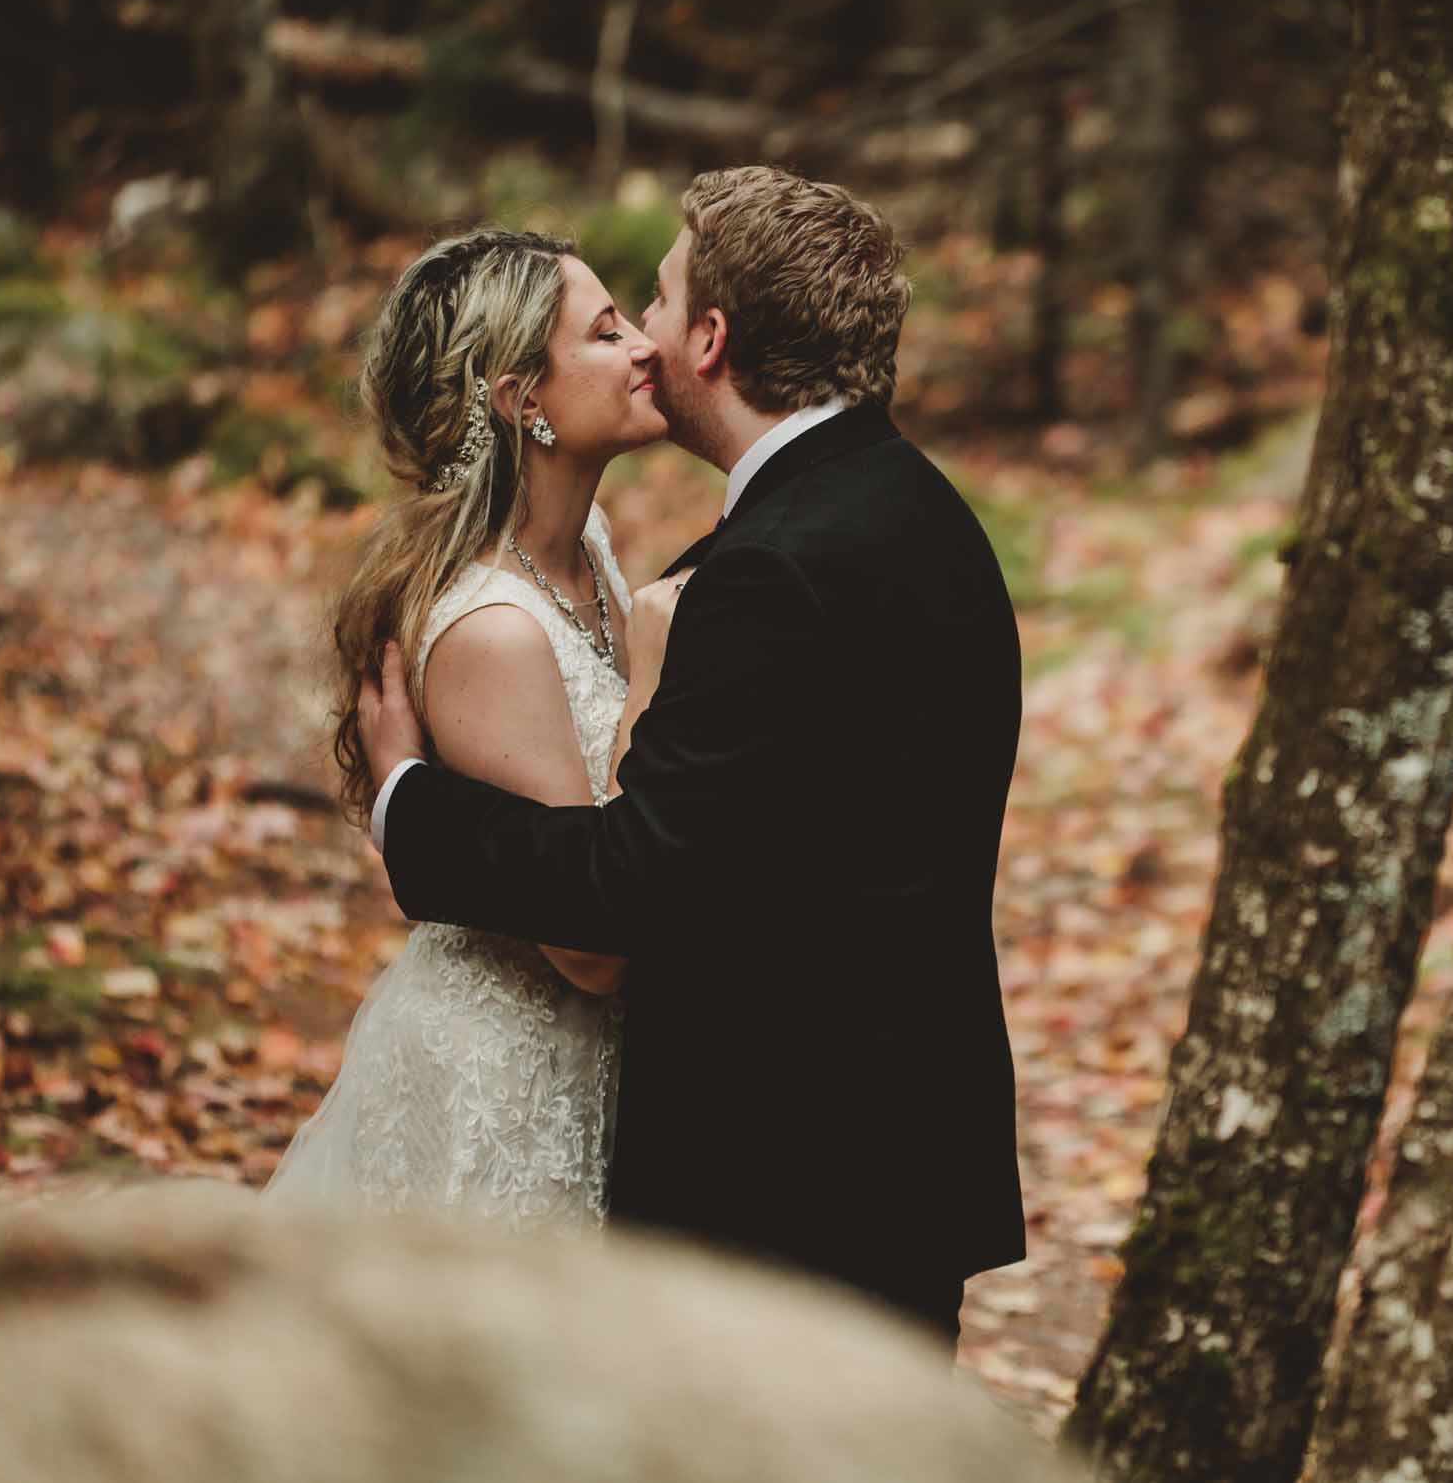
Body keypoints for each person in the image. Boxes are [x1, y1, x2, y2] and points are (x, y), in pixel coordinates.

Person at [354, 168, 1025, 1347]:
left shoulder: (771, 567)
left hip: (794, 1189)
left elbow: (626, 886)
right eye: (609, 322)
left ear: (711, 338)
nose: (642, 341)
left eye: (649, 305)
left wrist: (411, 804)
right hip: (884, 1163)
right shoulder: (903, 506)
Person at [269, 227, 674, 1227]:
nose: (641, 350)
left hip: (588, 1064)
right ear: (522, 400)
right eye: (605, 331)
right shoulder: (494, 628)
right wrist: (658, 677)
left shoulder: (587, 546)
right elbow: (590, 947)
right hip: (509, 1081)